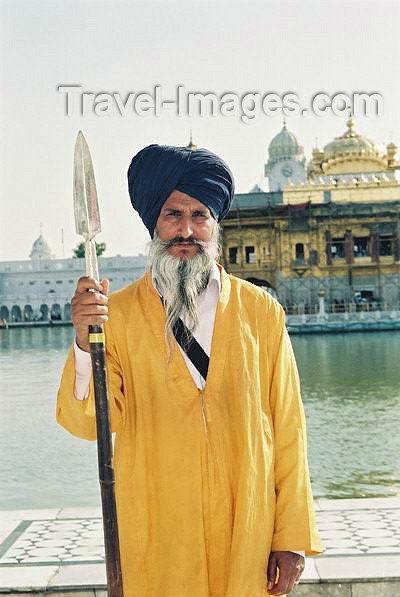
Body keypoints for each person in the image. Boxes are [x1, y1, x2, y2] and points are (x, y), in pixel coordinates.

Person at [56, 144, 322, 597]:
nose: (186, 230)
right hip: (157, 526)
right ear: (153, 224)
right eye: (173, 214)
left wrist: (291, 535)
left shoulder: (260, 310)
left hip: (248, 523)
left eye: (200, 215)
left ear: (215, 225)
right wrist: (85, 340)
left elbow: (288, 429)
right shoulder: (113, 315)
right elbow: (89, 424)